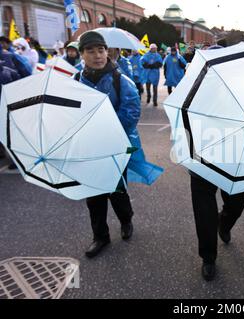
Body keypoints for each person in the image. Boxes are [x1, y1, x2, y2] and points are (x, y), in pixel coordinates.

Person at [75, 31, 141, 258]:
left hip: (114, 146)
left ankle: (126, 219)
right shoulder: (74, 81)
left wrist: (109, 136)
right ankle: (100, 236)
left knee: (117, 190)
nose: (98, 55)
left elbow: (131, 113)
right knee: (94, 195)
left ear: (107, 52)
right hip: (87, 149)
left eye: (101, 50)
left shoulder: (120, 80)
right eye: (91, 51)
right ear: (82, 54)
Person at [189, 43, 244, 282]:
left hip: (233, 157)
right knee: (204, 212)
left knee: (238, 202)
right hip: (201, 157)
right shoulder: (194, 87)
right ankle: (208, 258)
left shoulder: (243, 90)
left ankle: (224, 224)